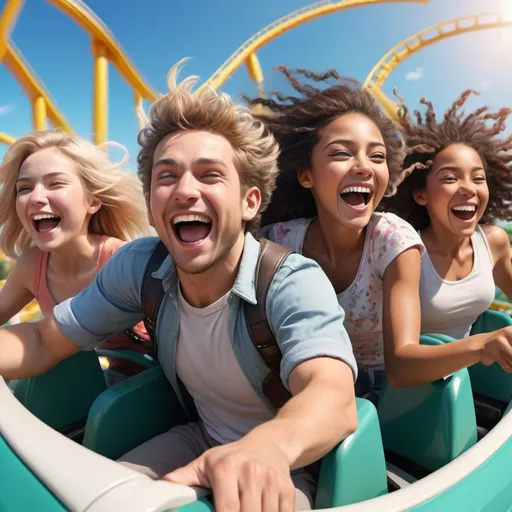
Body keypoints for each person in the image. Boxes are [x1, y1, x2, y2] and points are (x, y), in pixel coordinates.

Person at [0, 62, 358, 512]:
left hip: (290, 460)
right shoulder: (141, 266)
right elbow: (42, 338)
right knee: (95, 499)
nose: (185, 190)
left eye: (210, 175)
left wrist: (267, 448)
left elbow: (331, 394)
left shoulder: (289, 280)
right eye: (166, 177)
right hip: (197, 433)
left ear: (249, 201)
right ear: (151, 205)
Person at [249, 67, 512, 395]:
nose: (362, 166)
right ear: (306, 176)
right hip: (301, 380)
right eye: (343, 153)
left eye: (377, 156)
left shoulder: (394, 241)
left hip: (383, 390)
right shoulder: (279, 241)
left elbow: (401, 363)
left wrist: (482, 346)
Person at [381, 90, 512, 351]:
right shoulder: (406, 253)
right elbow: (399, 364)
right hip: (402, 386)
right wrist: (480, 346)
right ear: (421, 194)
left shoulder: (494, 242)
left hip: (463, 379)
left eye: (478, 178)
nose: (469, 188)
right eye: (451, 178)